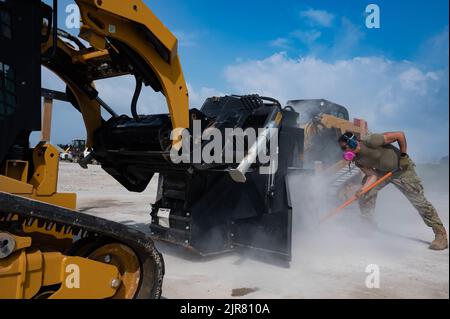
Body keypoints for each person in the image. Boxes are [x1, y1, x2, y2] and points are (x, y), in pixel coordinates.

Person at [338, 131, 448, 250]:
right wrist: (363, 190)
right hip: (382, 173)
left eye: (344, 147)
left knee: (419, 202)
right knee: (366, 194)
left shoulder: (371, 141)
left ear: (353, 143)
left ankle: (440, 234)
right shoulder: (358, 160)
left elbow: (399, 135)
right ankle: (367, 226)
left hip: (402, 170)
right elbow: (372, 176)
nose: (344, 151)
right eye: (341, 149)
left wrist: (404, 156)